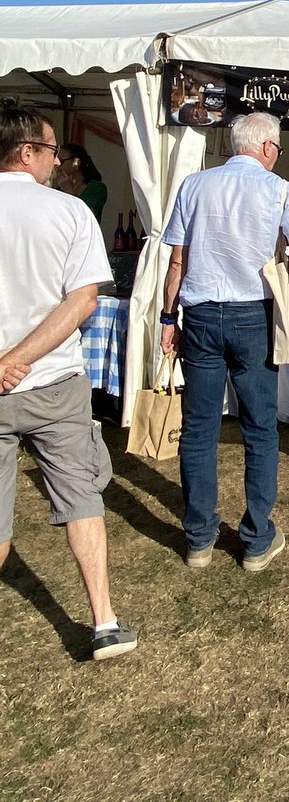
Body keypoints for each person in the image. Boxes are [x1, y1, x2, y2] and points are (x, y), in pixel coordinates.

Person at [0, 105, 136, 660]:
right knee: (81, 497)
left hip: (20, 378)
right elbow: (82, 301)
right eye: (54, 150)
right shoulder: (68, 212)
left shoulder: (69, 206)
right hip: (52, 379)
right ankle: (103, 620)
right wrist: (20, 357)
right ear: (27, 150)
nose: (60, 160)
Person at [160, 112, 289, 571]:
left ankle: (198, 538)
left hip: (201, 314)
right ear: (268, 147)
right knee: (259, 427)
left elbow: (177, 261)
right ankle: (255, 538)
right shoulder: (284, 190)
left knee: (200, 427)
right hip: (253, 314)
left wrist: (168, 317)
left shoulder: (194, 184)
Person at [54, 142, 108, 222]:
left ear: (76, 163)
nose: (57, 164)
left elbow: (87, 218)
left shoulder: (96, 188)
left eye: (62, 161)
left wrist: (69, 190)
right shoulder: (58, 187)